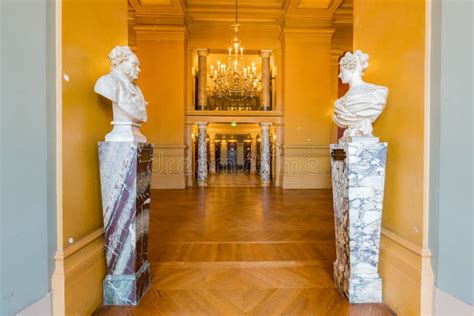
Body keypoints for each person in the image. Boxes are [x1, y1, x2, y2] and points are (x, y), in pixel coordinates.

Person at [95, 46, 148, 142]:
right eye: (134, 65)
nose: (138, 70)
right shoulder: (106, 83)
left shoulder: (136, 88)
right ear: (119, 63)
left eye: (138, 66)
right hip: (121, 134)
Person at [333, 50, 388, 141]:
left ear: (352, 69)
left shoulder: (377, 92)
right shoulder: (340, 102)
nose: (339, 75)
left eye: (342, 71)